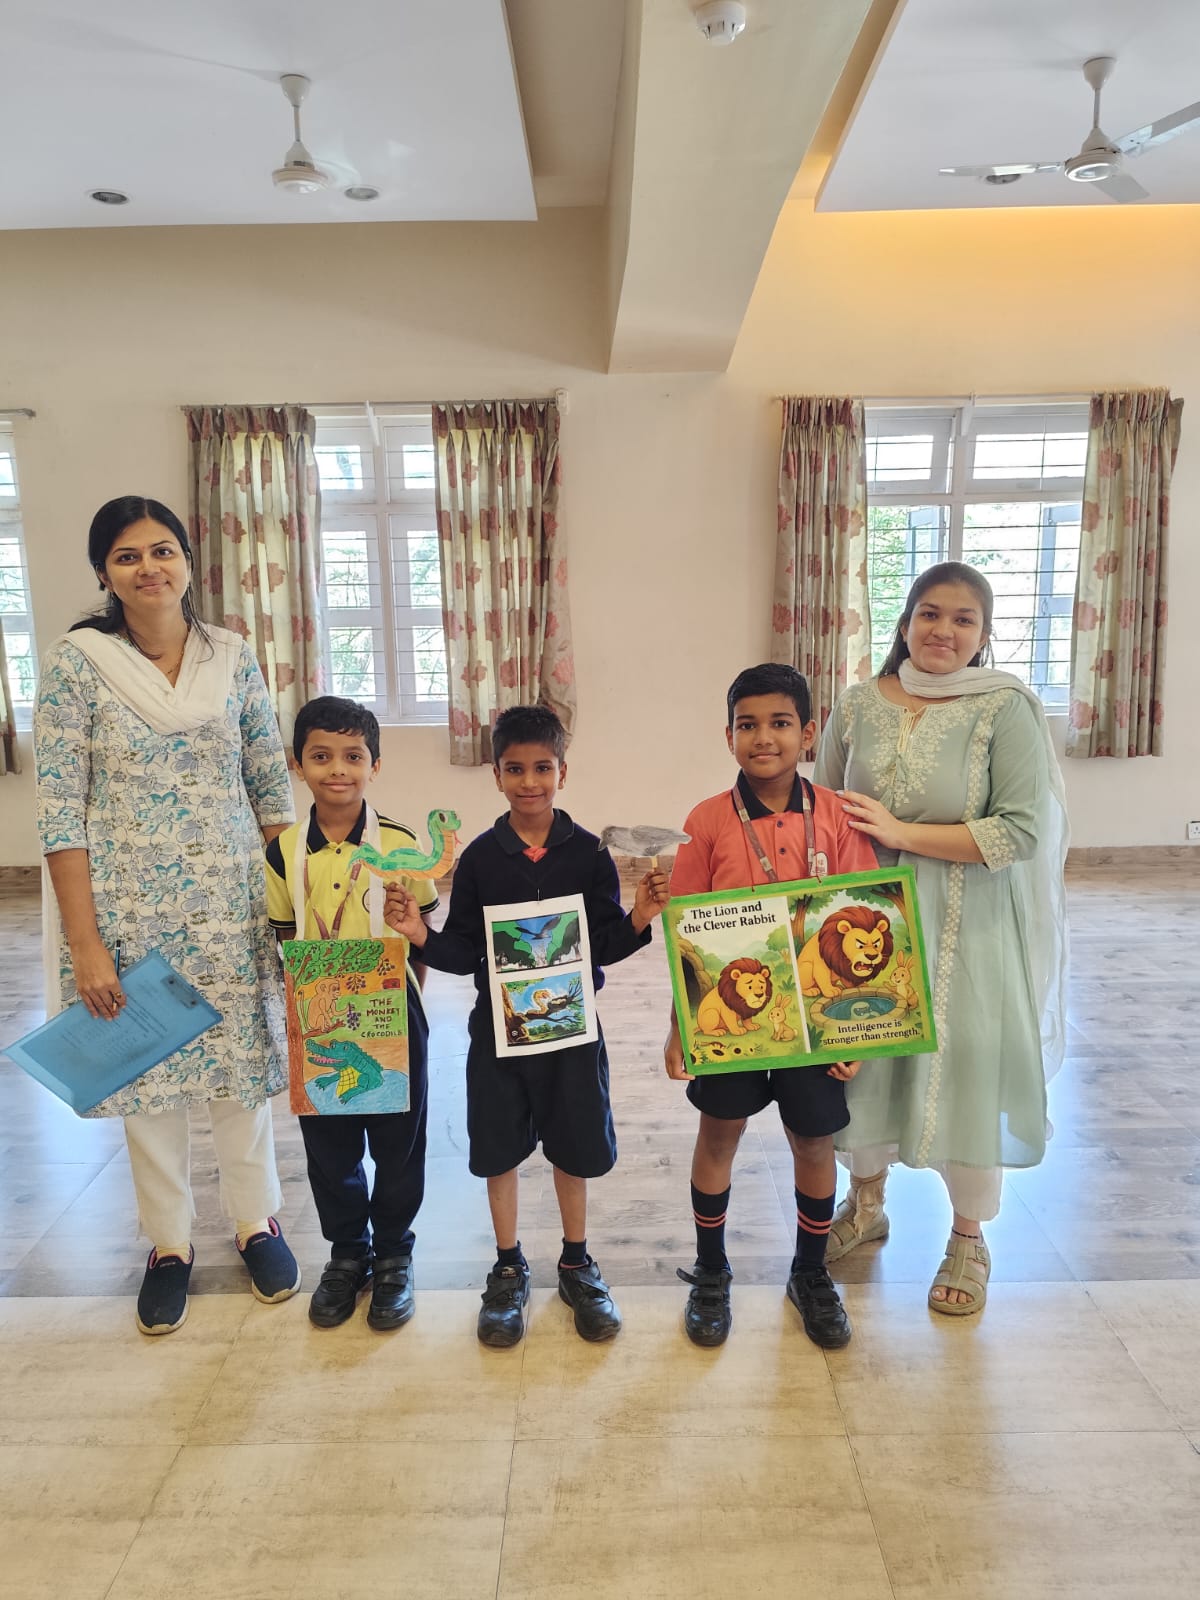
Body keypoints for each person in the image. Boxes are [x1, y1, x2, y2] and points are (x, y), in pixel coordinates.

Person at [34, 495, 300, 1335]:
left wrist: (299, 910)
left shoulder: (233, 656)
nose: (148, 567)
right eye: (127, 556)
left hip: (232, 906)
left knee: (240, 1074)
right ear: (103, 573)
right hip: (128, 913)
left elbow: (270, 790)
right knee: (147, 1082)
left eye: (162, 550)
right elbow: (59, 813)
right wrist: (86, 944)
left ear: (188, 559)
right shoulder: (78, 664)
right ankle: (169, 1245)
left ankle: (257, 1224)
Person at [814, 561, 1068, 1316]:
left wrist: (901, 834)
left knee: (964, 1064)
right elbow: (821, 808)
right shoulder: (859, 702)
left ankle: (967, 1236)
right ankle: (866, 1202)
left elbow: (1019, 831)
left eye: (963, 619)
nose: (943, 631)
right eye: (930, 613)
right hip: (867, 920)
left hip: (967, 920)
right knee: (862, 1062)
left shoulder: (1005, 708)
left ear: (984, 635)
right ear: (904, 622)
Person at [383, 704, 668, 1348]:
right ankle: (508, 1265)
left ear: (563, 771)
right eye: (515, 769)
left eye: (543, 768)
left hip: (571, 1032)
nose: (530, 782)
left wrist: (639, 918)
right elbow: (463, 952)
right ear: (496, 775)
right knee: (498, 1149)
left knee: (574, 1145)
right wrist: (419, 935)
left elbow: (602, 945)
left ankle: (576, 1262)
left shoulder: (590, 854)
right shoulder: (481, 860)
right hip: (497, 1034)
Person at [664, 662, 878, 1350]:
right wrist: (681, 1024)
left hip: (815, 1022)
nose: (764, 738)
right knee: (718, 1133)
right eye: (748, 725)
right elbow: (684, 932)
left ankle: (810, 1272)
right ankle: (711, 1269)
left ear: (808, 733)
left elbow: (866, 913)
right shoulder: (705, 821)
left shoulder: (838, 817)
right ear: (728, 736)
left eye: (780, 723)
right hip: (730, 1021)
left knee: (813, 1141)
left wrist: (857, 1035)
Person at [264, 696, 438, 1332]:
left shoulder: (401, 844)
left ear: (375, 765)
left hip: (393, 1012)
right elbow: (286, 934)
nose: (337, 769)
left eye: (353, 756)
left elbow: (423, 931)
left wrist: (405, 1002)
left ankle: (393, 1253)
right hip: (318, 1017)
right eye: (321, 756)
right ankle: (347, 1253)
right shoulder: (283, 850)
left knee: (399, 1143)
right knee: (329, 1146)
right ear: (297, 764)